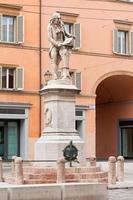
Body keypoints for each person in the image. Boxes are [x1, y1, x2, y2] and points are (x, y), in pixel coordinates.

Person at [48, 12, 75, 80]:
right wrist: (56, 44)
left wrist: (71, 35)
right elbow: (49, 38)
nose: (58, 20)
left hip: (61, 44)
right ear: (53, 19)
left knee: (60, 60)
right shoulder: (50, 26)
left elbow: (66, 33)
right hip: (54, 45)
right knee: (54, 60)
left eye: (59, 19)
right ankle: (54, 75)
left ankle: (63, 75)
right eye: (57, 19)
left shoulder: (61, 25)